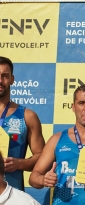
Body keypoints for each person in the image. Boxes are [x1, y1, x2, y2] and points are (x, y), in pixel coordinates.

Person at [0, 56, 45, 191]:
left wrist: (19, 163)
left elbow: (42, 158)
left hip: (13, 195)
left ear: (12, 79)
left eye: (5, 76)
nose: (0, 80)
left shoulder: (27, 116)